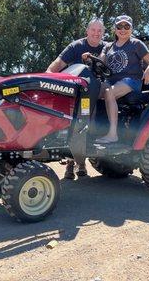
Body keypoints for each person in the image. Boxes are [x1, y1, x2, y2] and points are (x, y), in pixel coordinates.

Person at [83, 15, 149, 144]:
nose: (123, 30)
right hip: (112, 81)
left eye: (126, 26)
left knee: (109, 92)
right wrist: (89, 58)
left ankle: (113, 134)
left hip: (131, 81)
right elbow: (100, 61)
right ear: (115, 29)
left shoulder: (136, 44)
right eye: (119, 26)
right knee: (87, 91)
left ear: (131, 29)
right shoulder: (109, 47)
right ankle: (88, 128)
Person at [46, 18, 106, 179]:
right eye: (93, 30)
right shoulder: (76, 46)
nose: (96, 33)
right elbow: (56, 65)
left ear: (103, 33)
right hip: (75, 93)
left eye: (99, 31)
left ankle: (79, 163)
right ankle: (73, 163)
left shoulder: (106, 48)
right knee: (74, 122)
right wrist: (48, 79)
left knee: (83, 122)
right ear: (87, 31)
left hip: (95, 92)